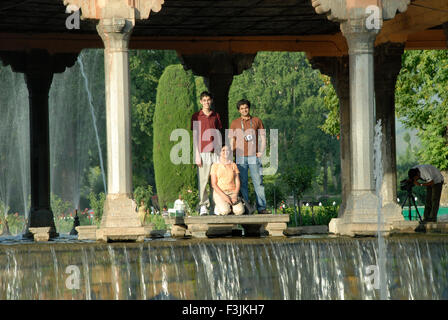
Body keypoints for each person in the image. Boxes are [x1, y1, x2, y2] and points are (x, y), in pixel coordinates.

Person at [229, 99, 269, 214]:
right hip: (240, 157)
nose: (244, 110)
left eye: (246, 107)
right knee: (242, 183)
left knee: (258, 182)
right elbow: (231, 140)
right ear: (238, 110)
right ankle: (247, 208)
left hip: (254, 156)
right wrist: (231, 156)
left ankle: (262, 208)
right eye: (241, 108)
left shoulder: (257, 121)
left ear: (249, 108)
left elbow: (263, 138)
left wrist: (261, 151)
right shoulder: (235, 123)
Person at [191, 91, 223, 215]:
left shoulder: (216, 115)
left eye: (208, 100)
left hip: (215, 152)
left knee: (215, 181)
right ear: (201, 102)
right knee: (203, 181)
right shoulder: (196, 116)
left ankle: (215, 205)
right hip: (203, 151)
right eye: (204, 100)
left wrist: (220, 152)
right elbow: (195, 136)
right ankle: (203, 205)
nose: (206, 102)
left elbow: (218, 134)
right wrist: (196, 154)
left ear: (211, 101)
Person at [210, 145, 245, 216]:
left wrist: (235, 194)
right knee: (225, 211)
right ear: (219, 152)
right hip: (220, 192)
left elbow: (237, 182)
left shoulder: (233, 165)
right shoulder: (215, 165)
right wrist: (224, 196)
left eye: (227, 150)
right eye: (223, 150)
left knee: (240, 211)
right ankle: (219, 207)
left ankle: (231, 206)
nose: (226, 152)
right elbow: (213, 184)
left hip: (232, 192)